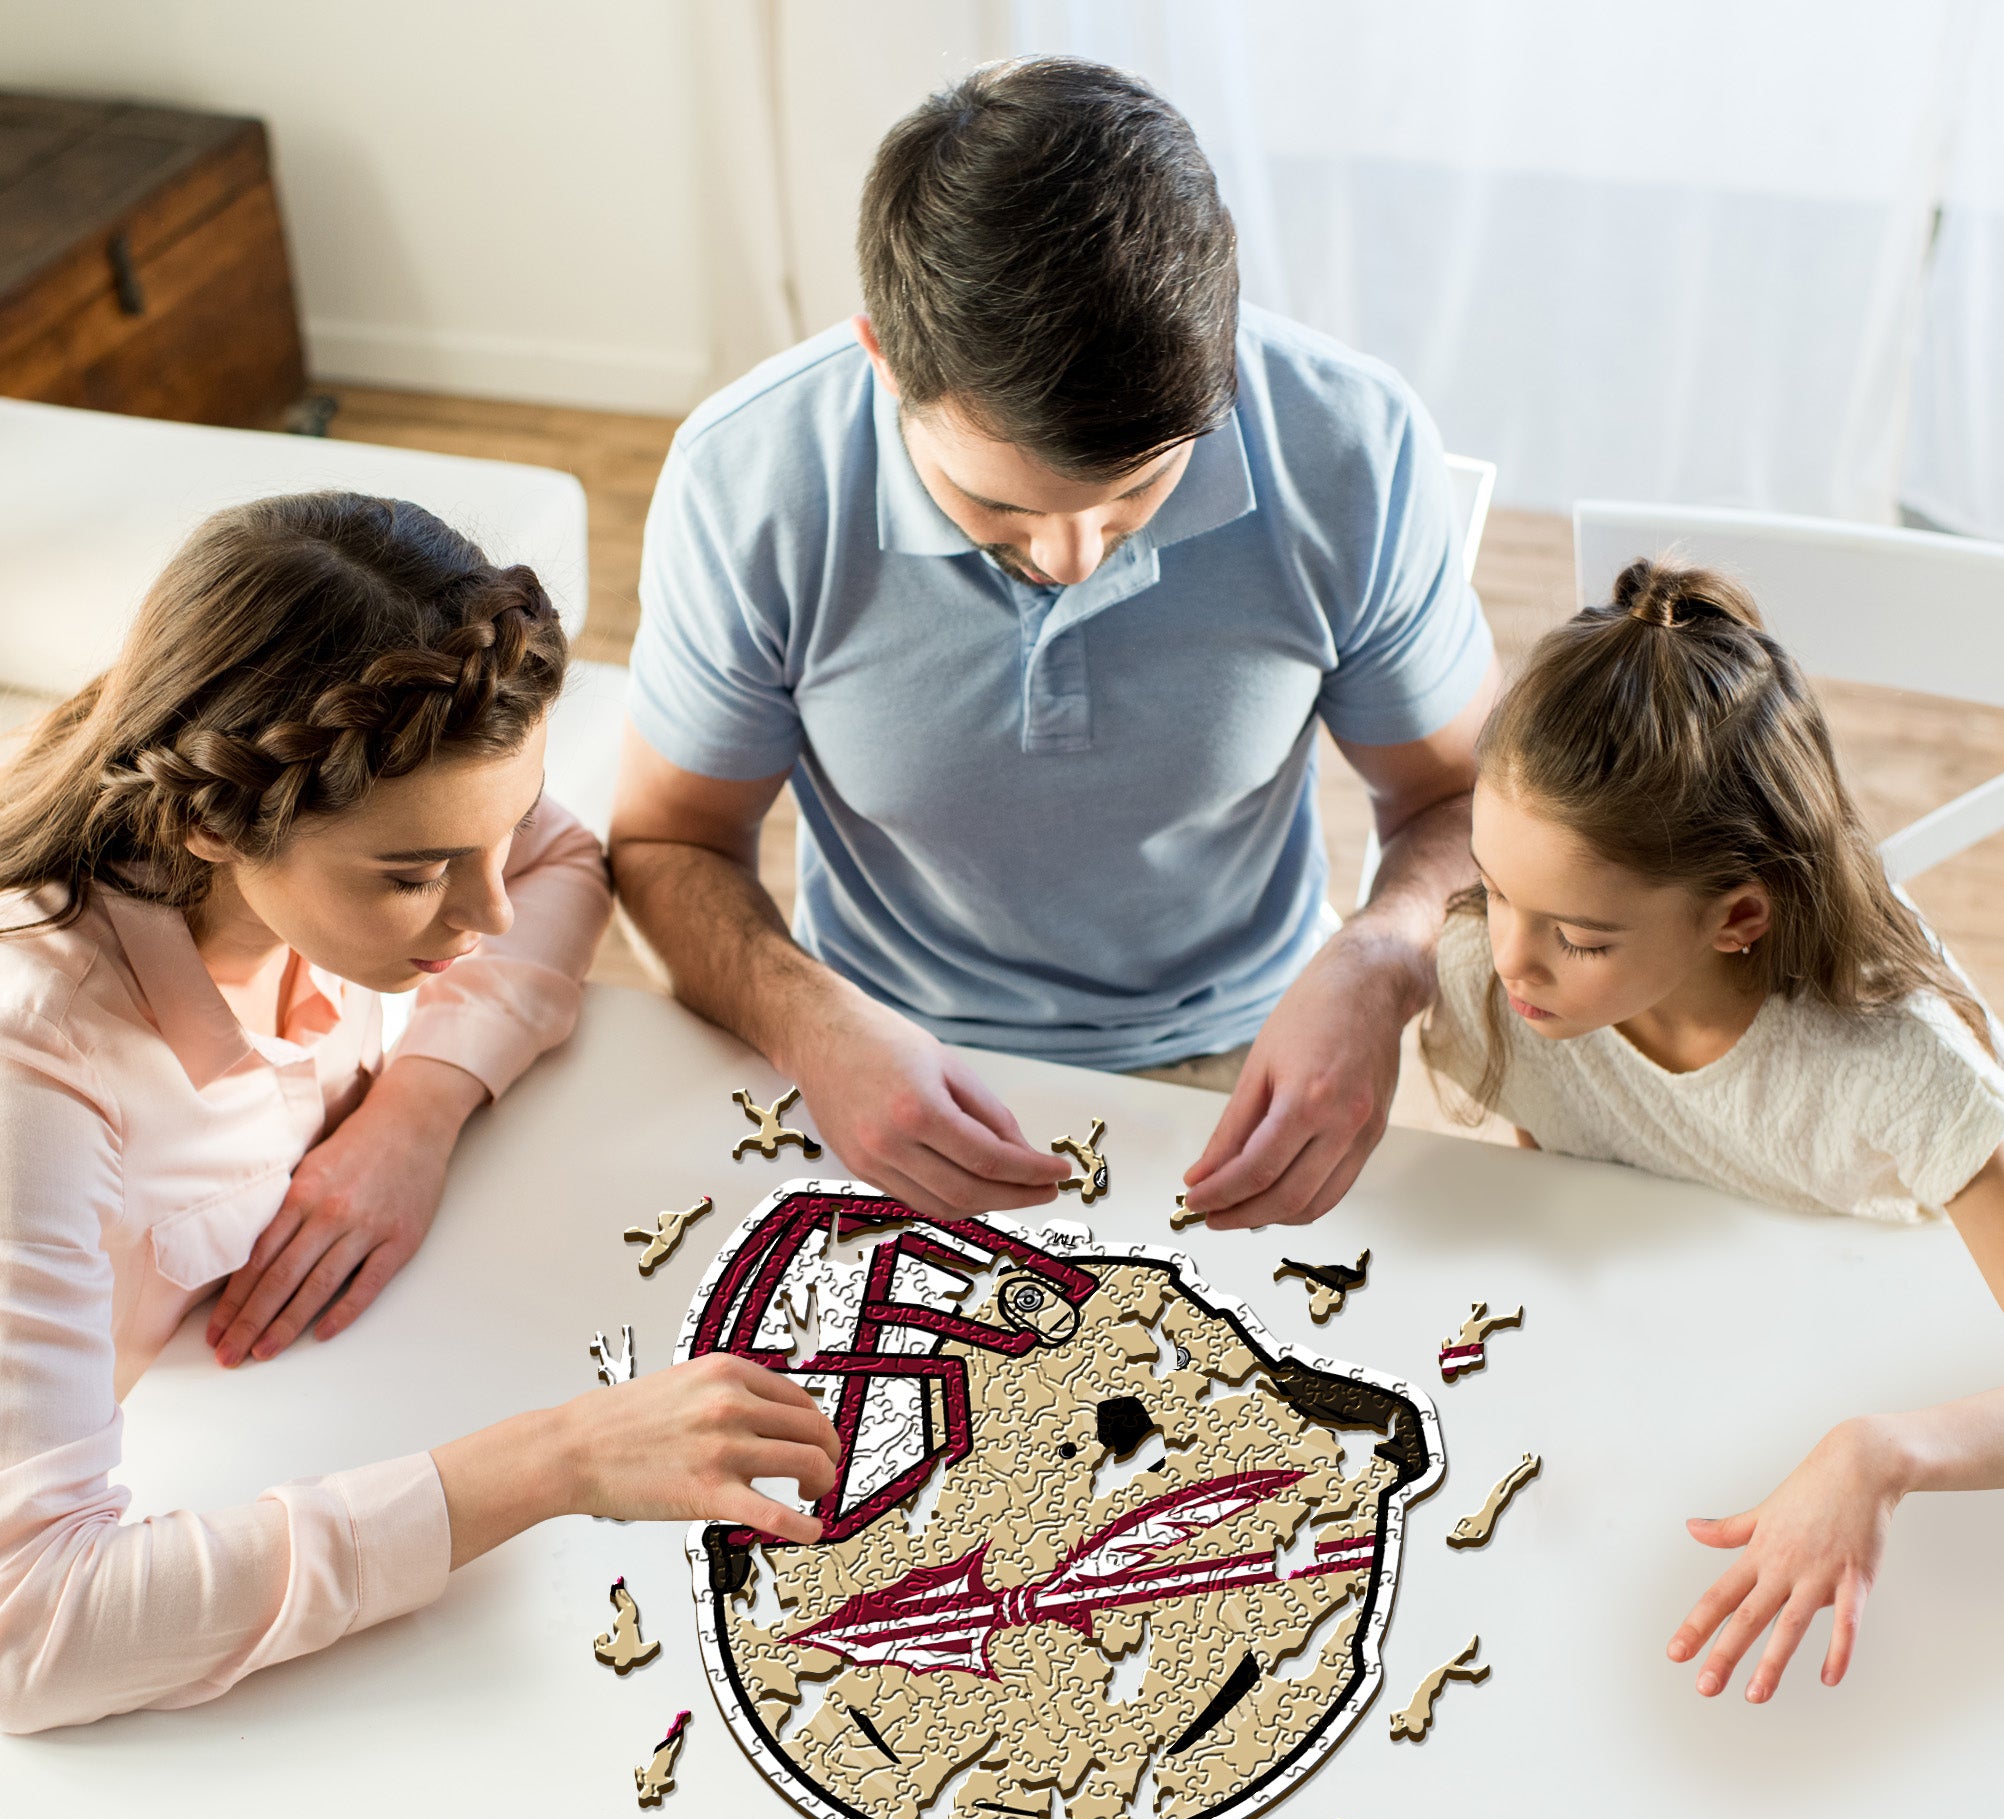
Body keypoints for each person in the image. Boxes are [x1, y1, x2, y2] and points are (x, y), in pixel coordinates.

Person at [610, 58, 1497, 1229]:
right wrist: (807, 1022)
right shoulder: (748, 481)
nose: (1075, 556)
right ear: (884, 361)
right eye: (1002, 509)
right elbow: (670, 841)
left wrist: (1382, 965)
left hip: (1251, 1049)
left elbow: (1464, 803)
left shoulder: (1350, 445)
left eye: (1135, 496)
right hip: (873, 1053)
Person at [0, 494, 837, 1733]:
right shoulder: (38, 1077)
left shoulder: (353, 827)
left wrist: (418, 1106)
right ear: (208, 822)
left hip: (296, 1390)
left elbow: (559, 864)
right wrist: (558, 1461)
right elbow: (36, 1631)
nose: (486, 916)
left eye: (490, 834)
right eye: (413, 876)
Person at [1421, 557, 2004, 1704]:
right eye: (1494, 890)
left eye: (1578, 938)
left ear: (1738, 917)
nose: (1508, 962)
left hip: (1913, 1391)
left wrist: (1881, 1453)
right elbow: (1577, 1172)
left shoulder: (1900, 1070)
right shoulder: (1497, 987)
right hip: (1684, 1372)